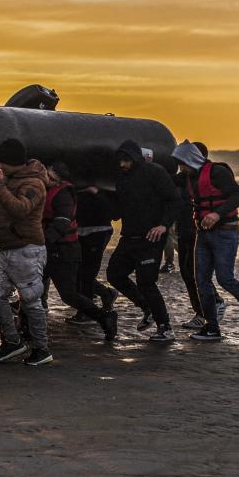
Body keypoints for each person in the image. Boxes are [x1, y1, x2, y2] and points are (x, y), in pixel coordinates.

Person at [172, 141, 239, 341]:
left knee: (225, 278)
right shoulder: (186, 177)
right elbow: (164, 181)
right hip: (203, 233)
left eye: (182, 163)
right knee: (201, 280)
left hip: (226, 232)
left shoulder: (217, 172)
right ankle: (212, 327)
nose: (181, 167)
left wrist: (216, 214)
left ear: (191, 159)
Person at [0, 139, 52, 365]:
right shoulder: (11, 177)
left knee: (31, 301)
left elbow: (20, 209)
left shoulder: (34, 183)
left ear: (13, 163)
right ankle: (13, 341)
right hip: (6, 248)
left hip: (28, 249)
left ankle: (42, 349)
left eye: (2, 162)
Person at [106, 140, 182, 341]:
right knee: (114, 274)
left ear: (136, 157)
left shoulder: (154, 172)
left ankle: (165, 327)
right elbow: (118, 209)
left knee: (146, 282)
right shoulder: (122, 179)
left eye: (126, 160)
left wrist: (163, 225)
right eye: (120, 161)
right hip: (129, 237)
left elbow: (175, 200)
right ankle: (146, 308)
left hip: (152, 237)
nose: (122, 164)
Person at [40, 162, 117, 340]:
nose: (47, 179)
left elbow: (61, 222)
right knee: (31, 287)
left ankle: (104, 317)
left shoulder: (63, 194)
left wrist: (43, 242)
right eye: (46, 175)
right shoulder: (45, 189)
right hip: (51, 248)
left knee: (68, 294)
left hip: (62, 250)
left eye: (51, 177)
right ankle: (26, 325)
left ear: (59, 180)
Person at [175, 142, 226, 329]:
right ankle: (201, 312)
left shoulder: (208, 175)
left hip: (198, 230)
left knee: (197, 273)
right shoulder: (183, 177)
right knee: (186, 273)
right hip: (182, 228)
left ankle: (216, 303)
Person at [73, 184, 117, 321]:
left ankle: (87, 310)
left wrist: (96, 193)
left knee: (87, 273)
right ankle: (105, 293)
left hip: (98, 230)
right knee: (77, 272)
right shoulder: (77, 181)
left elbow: (114, 212)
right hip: (78, 230)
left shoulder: (106, 183)